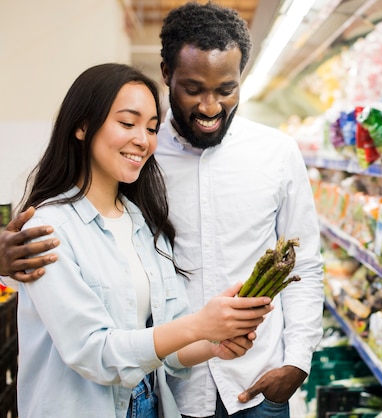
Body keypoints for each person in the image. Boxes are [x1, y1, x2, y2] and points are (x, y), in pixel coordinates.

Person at [0, 2, 326, 418]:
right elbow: (86, 325)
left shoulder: (273, 154)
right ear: (167, 74)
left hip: (249, 379)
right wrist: (3, 260)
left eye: (226, 89)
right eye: (193, 89)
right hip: (170, 393)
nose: (210, 107)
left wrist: (295, 360)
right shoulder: (134, 173)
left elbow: (307, 264)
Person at [12, 62, 273, 418]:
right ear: (82, 125)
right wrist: (199, 325)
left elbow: (168, 342)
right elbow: (92, 353)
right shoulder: (48, 229)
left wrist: (215, 342)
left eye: (152, 128)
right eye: (127, 123)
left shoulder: (143, 224)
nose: (143, 139)